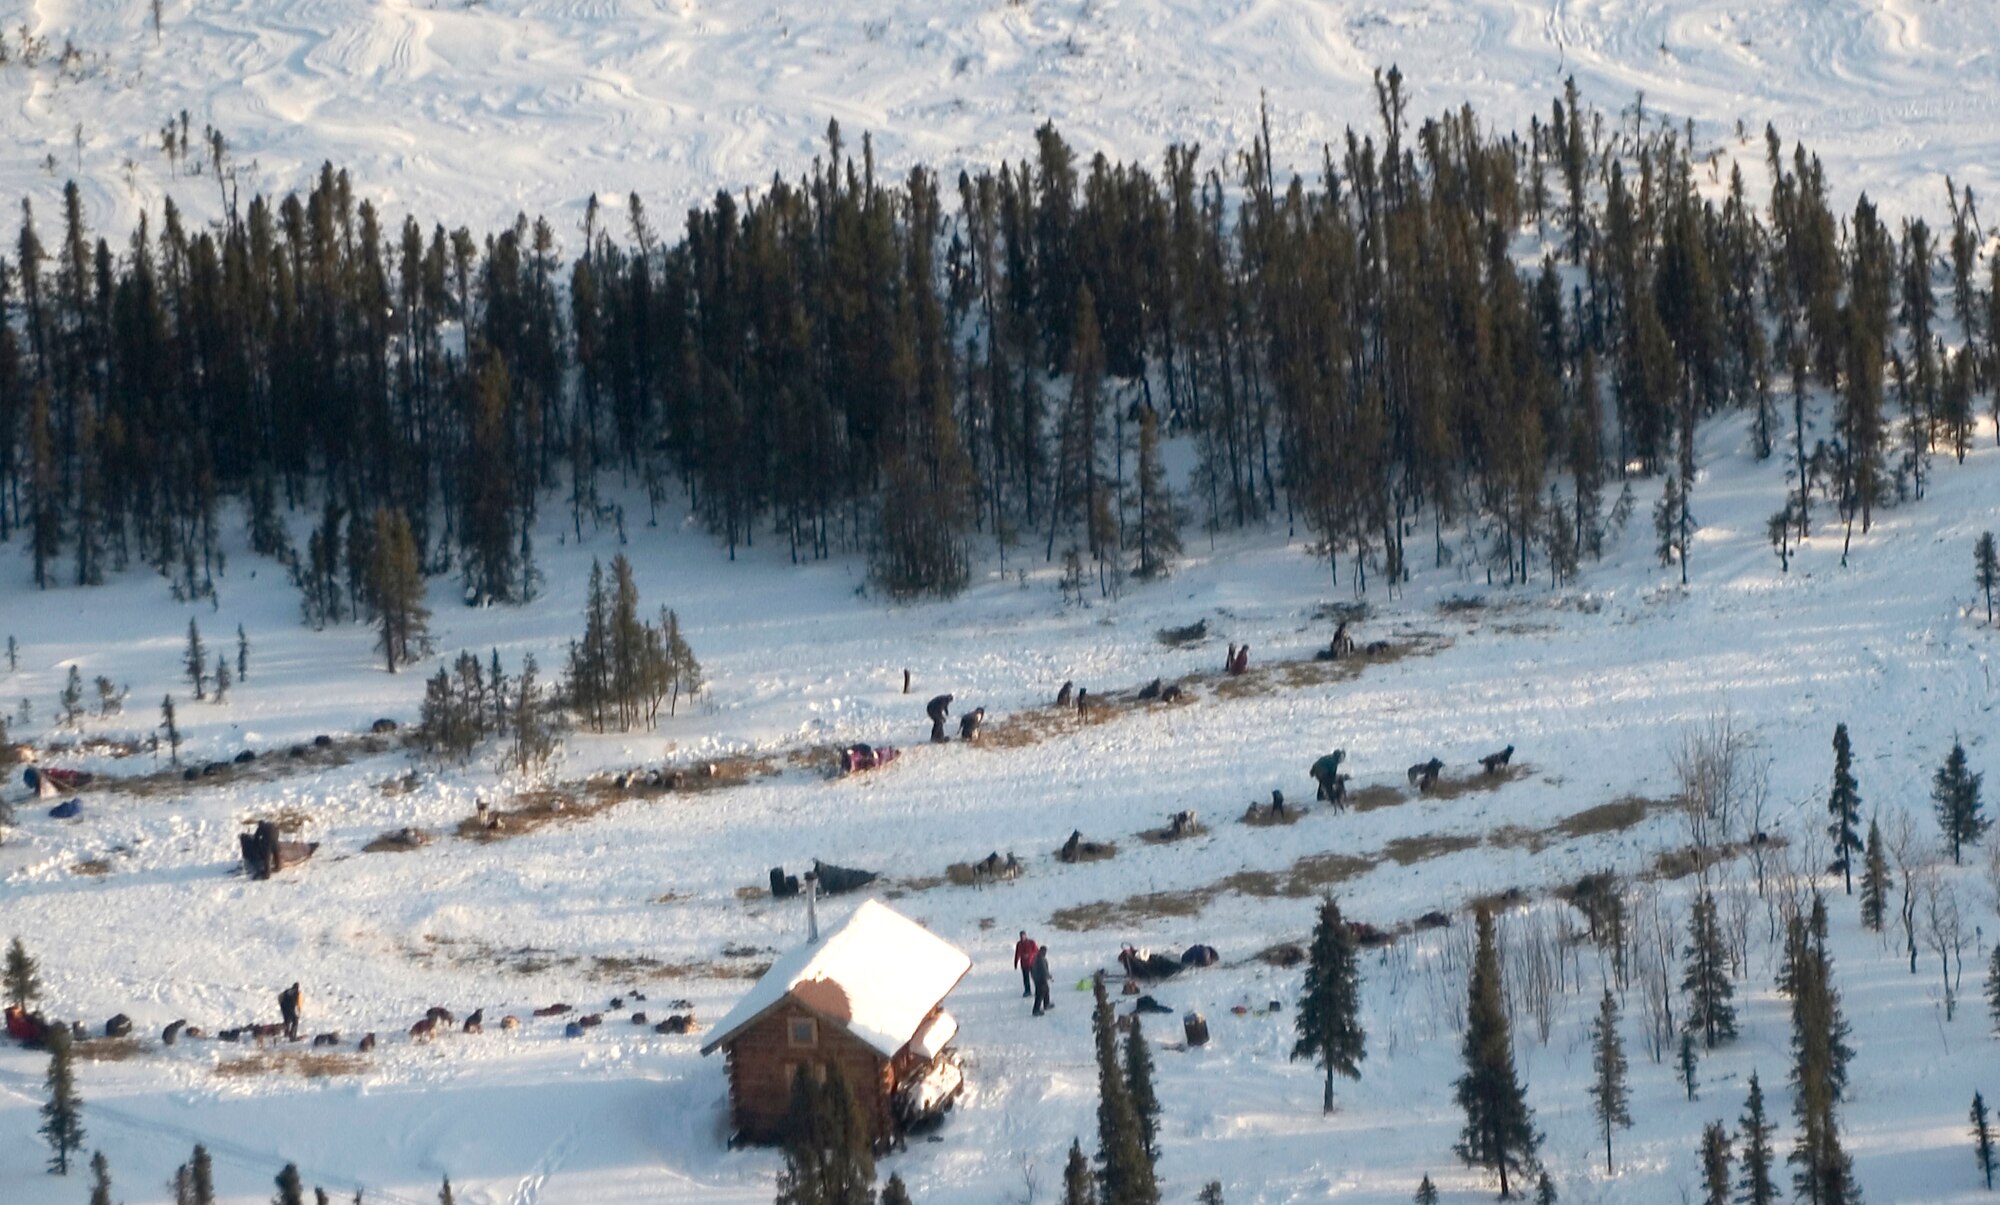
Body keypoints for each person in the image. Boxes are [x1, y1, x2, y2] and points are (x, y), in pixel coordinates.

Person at [1013, 931, 1040, 998]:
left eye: (1023, 935)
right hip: (1024, 964)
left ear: (1026, 935)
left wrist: (1030, 955)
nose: (1022, 937)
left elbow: (1036, 951)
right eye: (1021, 936)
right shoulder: (1019, 944)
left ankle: (1038, 990)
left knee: (1035, 977)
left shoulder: (1031, 942)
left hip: (1032, 963)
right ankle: (1027, 991)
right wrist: (1015, 963)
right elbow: (1017, 954)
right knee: (1026, 978)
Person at [1030, 944, 1053, 1016]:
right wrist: (1048, 976)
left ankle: (1047, 1004)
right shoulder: (1040, 959)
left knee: (1046, 990)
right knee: (1040, 995)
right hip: (1040, 980)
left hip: (1039, 979)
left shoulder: (1038, 957)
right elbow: (1044, 970)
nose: (1045, 953)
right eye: (1044, 951)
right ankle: (1036, 1010)